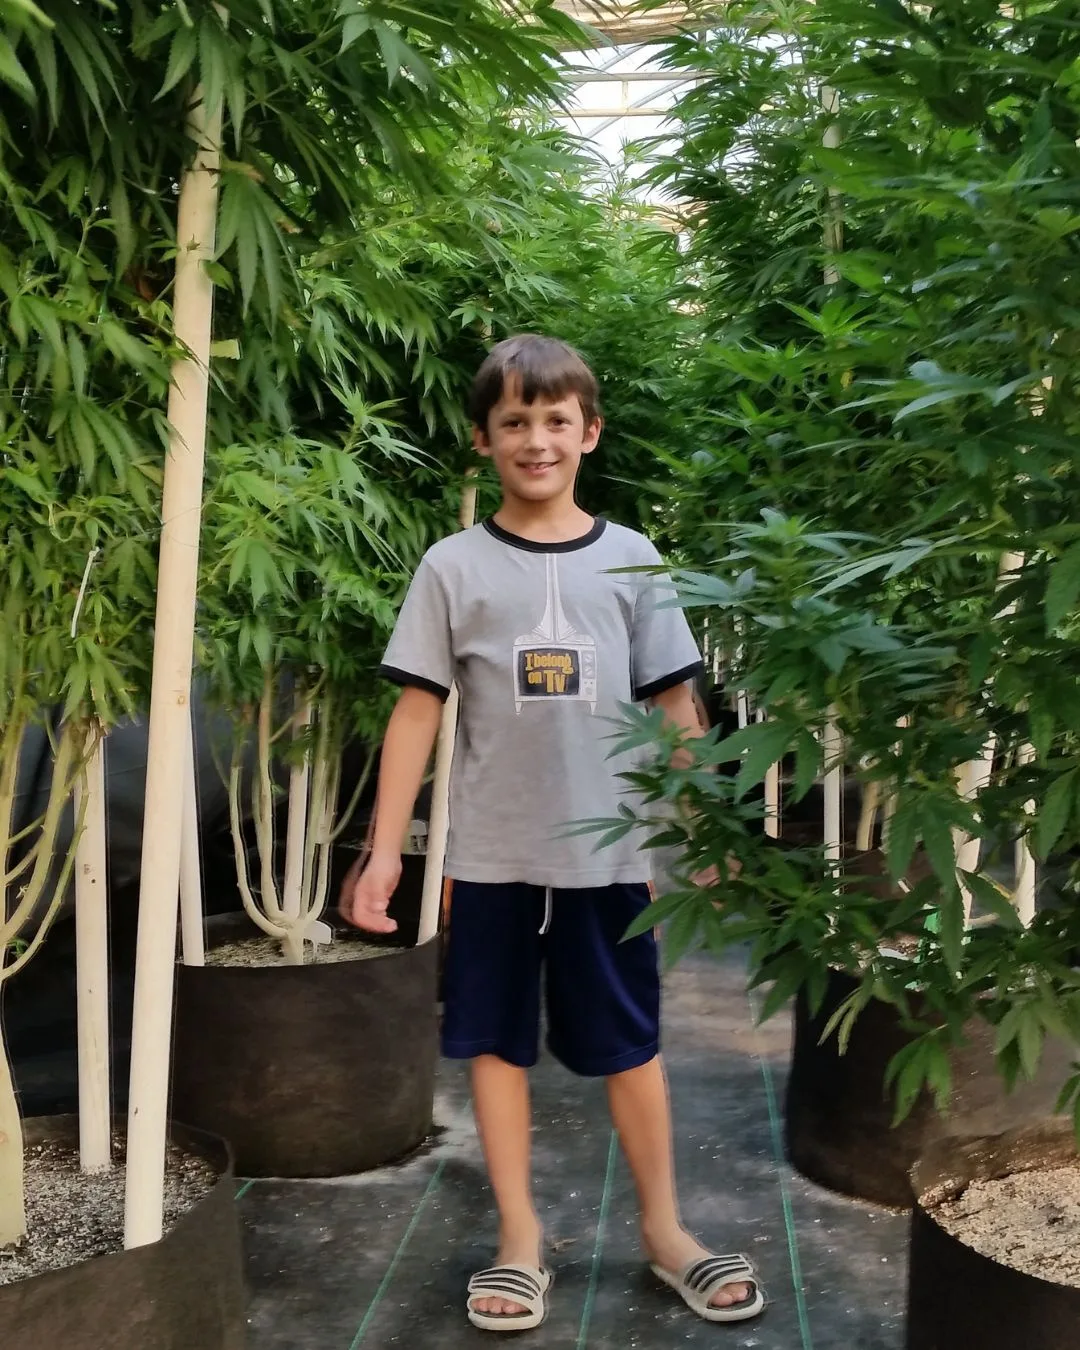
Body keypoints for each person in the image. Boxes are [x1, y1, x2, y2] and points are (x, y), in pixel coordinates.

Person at [343, 335, 764, 1332]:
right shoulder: (453, 566)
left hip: (607, 857)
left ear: (590, 433)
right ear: (483, 440)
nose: (537, 440)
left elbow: (675, 705)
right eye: (514, 422)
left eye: (556, 421)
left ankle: (666, 1230)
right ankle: (520, 1239)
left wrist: (706, 829)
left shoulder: (633, 561)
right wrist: (383, 852)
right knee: (494, 1047)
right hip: (492, 858)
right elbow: (416, 711)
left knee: (630, 1045)